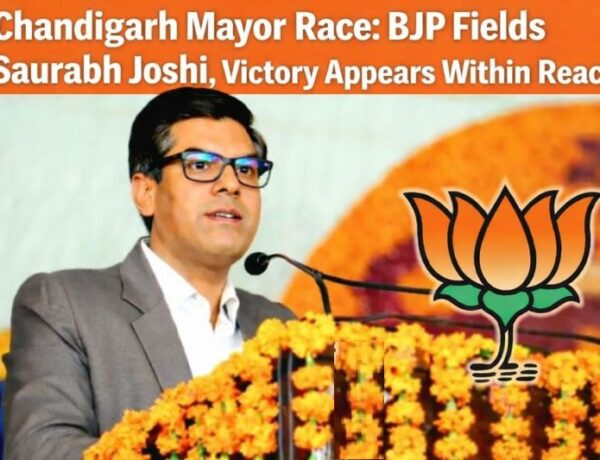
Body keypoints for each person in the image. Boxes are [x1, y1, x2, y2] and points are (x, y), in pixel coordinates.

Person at [2, 87, 295, 460]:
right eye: (201, 165)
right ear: (146, 192)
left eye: (247, 169)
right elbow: (40, 449)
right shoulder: (64, 305)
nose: (231, 184)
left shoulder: (279, 325)